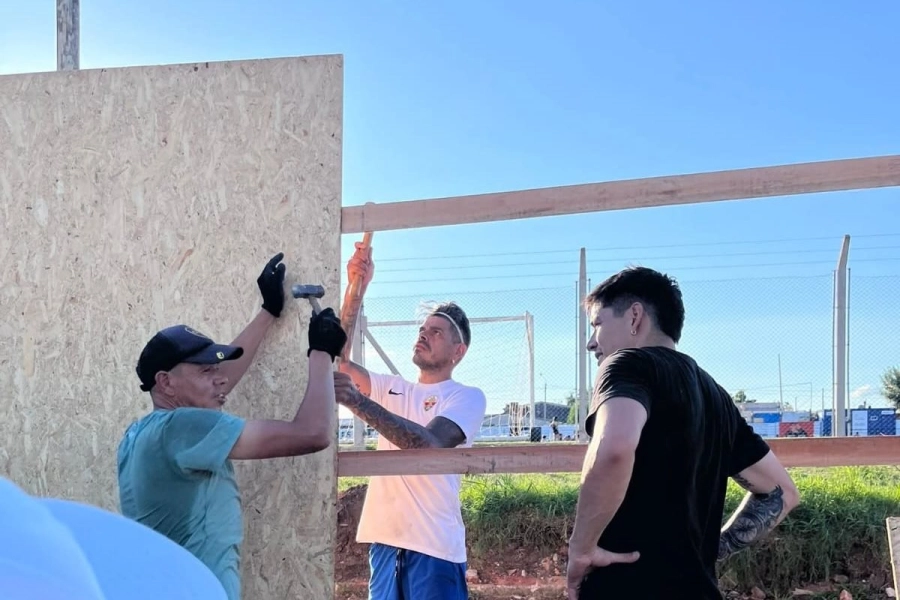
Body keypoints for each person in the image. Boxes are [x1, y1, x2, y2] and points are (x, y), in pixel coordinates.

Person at [116, 253, 347, 600]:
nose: (219, 381)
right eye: (205, 371)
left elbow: (222, 378)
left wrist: (268, 312)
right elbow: (312, 433)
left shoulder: (139, 435)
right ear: (165, 382)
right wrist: (321, 353)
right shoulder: (183, 428)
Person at [565, 266, 800, 600]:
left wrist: (582, 549)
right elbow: (783, 493)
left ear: (634, 317)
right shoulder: (715, 395)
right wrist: (709, 549)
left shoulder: (624, 364)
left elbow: (614, 448)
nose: (591, 343)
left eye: (597, 324)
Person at [333, 242, 487, 600]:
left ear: (458, 351)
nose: (423, 334)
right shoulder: (391, 388)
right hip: (385, 544)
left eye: (436, 332)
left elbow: (429, 445)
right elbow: (337, 361)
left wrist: (358, 402)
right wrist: (357, 287)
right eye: (423, 329)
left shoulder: (465, 396)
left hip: (435, 548)